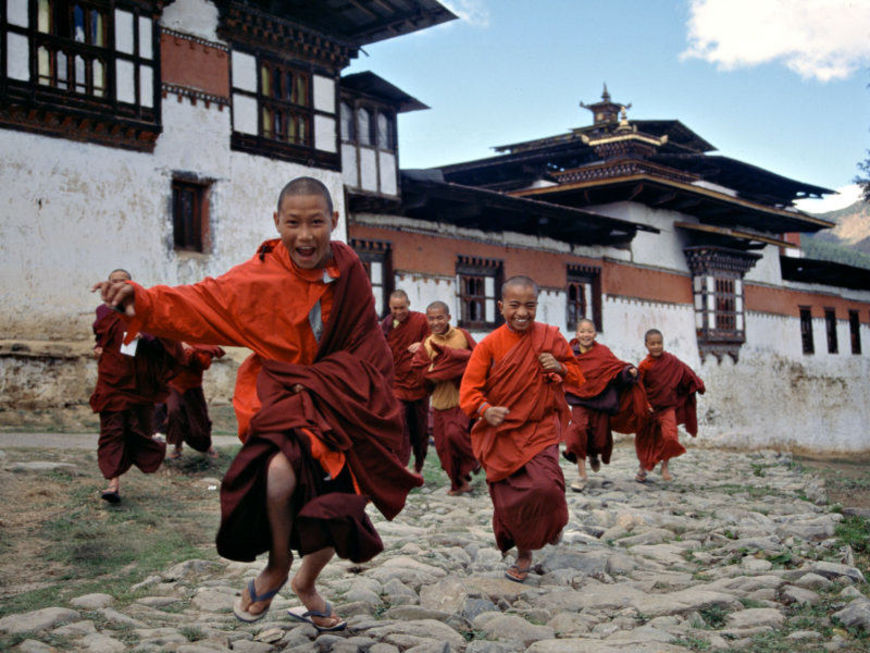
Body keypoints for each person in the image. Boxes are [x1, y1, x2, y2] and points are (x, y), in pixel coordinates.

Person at [93, 177, 420, 629]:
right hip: (286, 396)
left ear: (334, 221)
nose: (305, 236)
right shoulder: (260, 276)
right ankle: (278, 564)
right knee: (279, 475)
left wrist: (352, 390)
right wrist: (144, 301)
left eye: (316, 222)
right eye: (293, 223)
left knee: (341, 504)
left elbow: (367, 341)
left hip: (344, 398)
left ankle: (306, 583)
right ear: (276, 222)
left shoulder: (349, 269)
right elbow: (203, 301)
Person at [459, 276, 583, 583]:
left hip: (540, 427)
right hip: (502, 433)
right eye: (515, 305)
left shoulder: (550, 337)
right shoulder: (489, 345)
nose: (523, 313)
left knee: (546, 487)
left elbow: (577, 376)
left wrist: (560, 367)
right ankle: (524, 553)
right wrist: (485, 410)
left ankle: (553, 524)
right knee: (511, 501)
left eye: (530, 306)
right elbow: (469, 391)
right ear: (501, 307)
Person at [90, 268, 182, 504]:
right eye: (113, 281)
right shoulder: (103, 311)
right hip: (112, 379)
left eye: (123, 281)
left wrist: (147, 337)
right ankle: (113, 483)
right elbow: (101, 336)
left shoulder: (145, 310)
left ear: (131, 284)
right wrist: (98, 348)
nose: (118, 285)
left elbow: (167, 343)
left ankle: (151, 450)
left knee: (137, 429)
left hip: (140, 383)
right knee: (112, 430)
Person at [563, 318, 650, 492]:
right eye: (582, 331)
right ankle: (582, 475)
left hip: (600, 400)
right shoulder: (569, 354)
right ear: (577, 334)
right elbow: (563, 370)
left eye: (589, 331)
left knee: (600, 438)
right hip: (580, 400)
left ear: (595, 334)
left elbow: (615, 368)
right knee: (577, 431)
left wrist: (628, 372)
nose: (586, 335)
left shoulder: (602, 352)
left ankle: (593, 454)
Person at [411, 301, 478, 495]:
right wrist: (438, 371)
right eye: (431, 319)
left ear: (448, 317)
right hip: (440, 402)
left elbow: (477, 357)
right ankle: (459, 483)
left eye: (440, 318)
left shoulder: (462, 335)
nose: (435, 322)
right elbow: (421, 371)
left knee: (454, 435)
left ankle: (475, 460)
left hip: (462, 399)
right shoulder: (427, 344)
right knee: (444, 448)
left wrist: (454, 366)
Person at [635, 329, 705, 483]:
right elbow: (639, 387)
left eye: (659, 343)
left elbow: (686, 372)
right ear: (646, 345)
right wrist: (645, 404)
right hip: (650, 410)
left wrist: (697, 384)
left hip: (667, 408)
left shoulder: (671, 361)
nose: (656, 346)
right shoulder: (644, 365)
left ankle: (665, 466)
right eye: (653, 344)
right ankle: (642, 468)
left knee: (670, 437)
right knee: (646, 441)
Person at [382, 289, 430, 472]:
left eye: (402, 307)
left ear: (408, 304)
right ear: (390, 307)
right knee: (399, 423)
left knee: (420, 428)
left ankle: (419, 463)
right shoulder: (386, 326)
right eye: (395, 308)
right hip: (397, 383)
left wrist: (423, 344)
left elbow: (436, 337)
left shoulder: (421, 320)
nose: (399, 312)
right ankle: (401, 465)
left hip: (418, 383)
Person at [165, 344, 226, 460]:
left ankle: (207, 446)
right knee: (174, 412)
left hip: (193, 387)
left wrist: (193, 352)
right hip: (174, 384)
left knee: (199, 419)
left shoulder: (202, 342)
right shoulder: (174, 339)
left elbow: (205, 363)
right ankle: (177, 446)